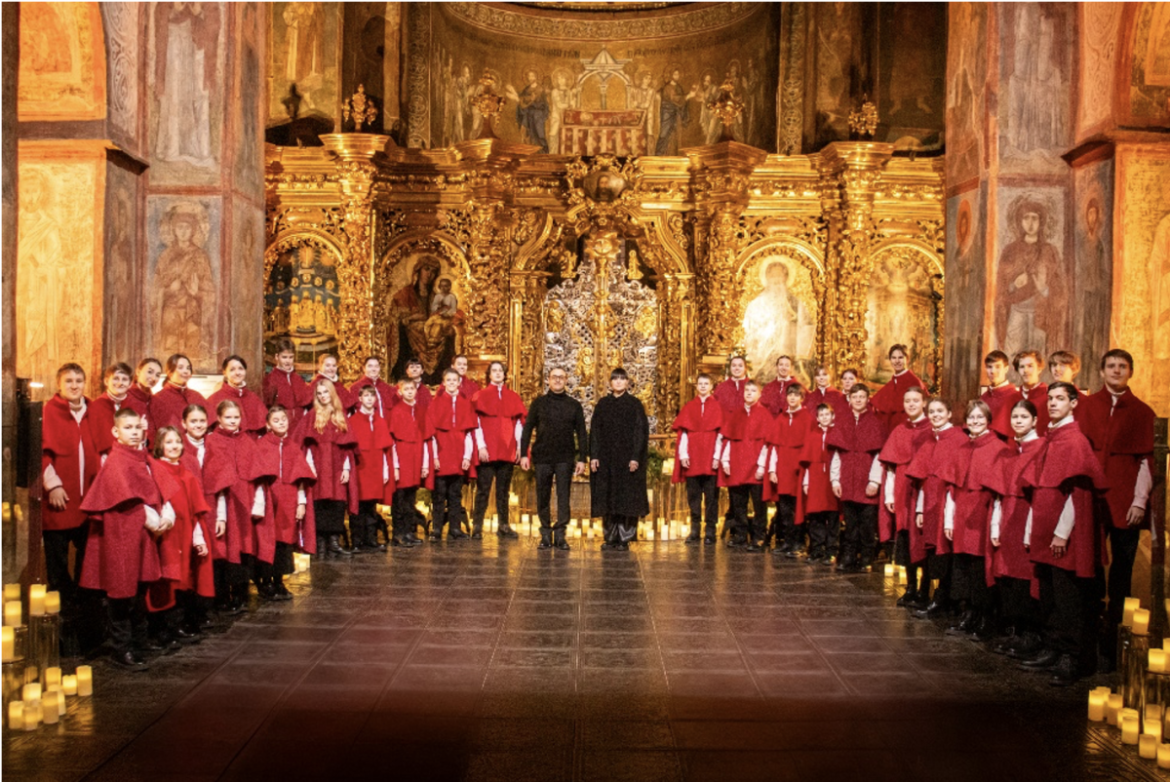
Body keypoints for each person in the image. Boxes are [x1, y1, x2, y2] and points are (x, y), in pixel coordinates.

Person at [1019, 382, 1108, 685]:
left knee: (1068, 596)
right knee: (1049, 594)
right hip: (1045, 529)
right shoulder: (1051, 438)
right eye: (1050, 399)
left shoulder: (1075, 441)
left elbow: (1077, 494)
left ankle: (1072, 657)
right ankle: (1053, 647)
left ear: (1073, 403)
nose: (1053, 403)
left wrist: (1061, 533)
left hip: (1063, 534)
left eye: (1060, 399)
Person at [1077, 349, 1155, 671]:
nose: (1116, 370)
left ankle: (1114, 640)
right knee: (1089, 565)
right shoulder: (1086, 406)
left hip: (1125, 502)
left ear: (1131, 372)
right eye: (1111, 365)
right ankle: (1088, 636)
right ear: (1101, 371)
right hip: (1092, 498)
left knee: (1122, 572)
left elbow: (1147, 462)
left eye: (1123, 366)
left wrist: (1139, 502)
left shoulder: (1143, 412)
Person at [79, 408, 173, 670]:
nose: (134, 432)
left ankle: (139, 642)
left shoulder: (141, 458)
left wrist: (164, 511)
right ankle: (122, 649)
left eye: (137, 428)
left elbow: (156, 488)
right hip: (121, 535)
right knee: (122, 592)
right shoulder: (116, 461)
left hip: (141, 534)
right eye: (128, 427)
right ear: (116, 432)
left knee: (140, 590)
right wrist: (151, 517)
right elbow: (126, 497)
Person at [940, 400, 1012, 642]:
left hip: (984, 514)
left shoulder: (999, 448)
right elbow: (952, 488)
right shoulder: (962, 448)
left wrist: (995, 525)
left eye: (980, 418)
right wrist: (949, 521)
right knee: (963, 565)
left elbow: (999, 492)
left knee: (982, 566)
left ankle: (984, 616)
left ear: (988, 420)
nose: (975, 422)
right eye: (971, 418)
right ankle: (968, 612)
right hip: (962, 514)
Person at [207, 399, 277, 612]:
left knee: (244, 546)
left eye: (236, 417)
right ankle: (222, 595)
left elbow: (258, 475)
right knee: (225, 547)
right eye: (228, 417)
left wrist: (259, 502)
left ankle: (240, 592)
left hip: (244, 501)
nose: (233, 421)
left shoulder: (247, 440)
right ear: (218, 418)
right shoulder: (212, 441)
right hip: (225, 500)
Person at [41, 363, 100, 613]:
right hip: (59, 500)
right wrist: (53, 485)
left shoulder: (93, 411)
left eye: (79, 380)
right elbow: (41, 454)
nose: (74, 385)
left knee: (88, 560)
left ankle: (83, 611)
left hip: (88, 500)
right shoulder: (50, 411)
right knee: (57, 563)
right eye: (69, 381)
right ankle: (61, 612)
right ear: (59, 384)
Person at [146, 426, 212, 647]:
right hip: (165, 536)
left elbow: (195, 512)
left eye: (177, 442)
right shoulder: (156, 469)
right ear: (159, 446)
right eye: (169, 442)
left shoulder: (187, 474)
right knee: (165, 581)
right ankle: (161, 629)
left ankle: (177, 625)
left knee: (183, 581)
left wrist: (199, 538)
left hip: (184, 535)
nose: (174, 446)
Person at [992, 399, 1044, 659]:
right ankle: (1016, 630)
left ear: (1035, 420)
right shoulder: (1012, 450)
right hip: (1009, 515)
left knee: (1027, 575)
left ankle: (1031, 635)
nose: (1018, 421)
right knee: (1010, 574)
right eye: (1015, 417)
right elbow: (1001, 493)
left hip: (1027, 516)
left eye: (1024, 417)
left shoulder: (1040, 447)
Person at [907, 398, 968, 618]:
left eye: (940, 411)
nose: (935, 415)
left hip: (949, 504)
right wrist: (921, 509)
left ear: (950, 413)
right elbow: (923, 478)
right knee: (936, 553)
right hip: (931, 503)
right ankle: (940, 599)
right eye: (931, 412)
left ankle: (946, 601)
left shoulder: (959, 439)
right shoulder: (930, 439)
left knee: (948, 554)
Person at [521, 367, 588, 550]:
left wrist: (582, 458)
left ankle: (560, 534)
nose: (557, 380)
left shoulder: (574, 405)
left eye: (561, 377)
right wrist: (523, 454)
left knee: (563, 497)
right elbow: (527, 430)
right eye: (554, 377)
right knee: (542, 496)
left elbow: (582, 433)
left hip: (565, 458)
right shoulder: (539, 403)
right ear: (548, 380)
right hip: (542, 457)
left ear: (566, 380)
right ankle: (545, 534)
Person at [878, 385, 932, 606]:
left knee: (923, 539)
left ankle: (924, 590)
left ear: (924, 403)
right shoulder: (900, 430)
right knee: (907, 538)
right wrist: (890, 496)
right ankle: (910, 587)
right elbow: (890, 467)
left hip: (923, 490)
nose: (911, 404)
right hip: (902, 489)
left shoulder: (931, 429)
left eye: (915, 400)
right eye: (907, 400)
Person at [828, 384, 887, 572]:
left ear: (868, 399)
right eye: (855, 397)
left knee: (867, 524)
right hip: (847, 479)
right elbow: (837, 454)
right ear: (849, 399)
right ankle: (848, 555)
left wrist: (874, 481)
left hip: (866, 479)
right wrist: (835, 480)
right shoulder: (842, 420)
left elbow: (879, 455)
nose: (859, 400)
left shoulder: (875, 422)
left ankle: (867, 557)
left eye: (862, 396)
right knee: (850, 523)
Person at [257, 406, 316, 596]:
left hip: (288, 498)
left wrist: (301, 502)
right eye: (276, 420)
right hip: (268, 498)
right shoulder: (261, 445)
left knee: (284, 541)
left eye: (284, 419)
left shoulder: (292, 446)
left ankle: (279, 580)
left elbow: (300, 478)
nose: (281, 422)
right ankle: (265, 581)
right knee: (267, 540)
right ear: (268, 425)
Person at [590, 369, 650, 550]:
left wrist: (635, 458)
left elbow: (640, 433)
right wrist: (593, 456)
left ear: (627, 383)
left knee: (626, 498)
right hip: (606, 458)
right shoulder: (603, 404)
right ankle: (610, 537)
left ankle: (624, 537)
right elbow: (595, 432)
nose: (618, 382)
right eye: (615, 379)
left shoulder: (634, 404)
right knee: (607, 496)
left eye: (621, 379)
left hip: (627, 460)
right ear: (610, 383)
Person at [298, 379, 358, 557]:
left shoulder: (340, 416)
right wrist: (309, 467)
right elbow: (305, 444)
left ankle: (333, 540)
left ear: (332, 393)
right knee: (319, 503)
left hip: (337, 465)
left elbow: (347, 447)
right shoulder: (311, 415)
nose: (323, 396)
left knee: (337, 502)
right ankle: (320, 542)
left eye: (326, 392)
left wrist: (347, 469)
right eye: (319, 393)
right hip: (318, 464)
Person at [471, 361, 526, 539]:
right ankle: (477, 526)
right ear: (489, 374)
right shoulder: (480, 396)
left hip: (507, 449)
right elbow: (476, 424)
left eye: (500, 371)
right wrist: (481, 446)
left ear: (504, 374)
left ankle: (503, 525)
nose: (497, 373)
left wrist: (519, 446)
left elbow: (518, 423)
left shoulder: (513, 396)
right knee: (483, 490)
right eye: (494, 371)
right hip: (487, 450)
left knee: (504, 491)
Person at [719, 381, 773, 552]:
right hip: (737, 465)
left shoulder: (764, 415)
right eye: (747, 390)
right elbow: (728, 439)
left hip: (756, 467)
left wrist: (762, 466)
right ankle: (741, 535)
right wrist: (725, 461)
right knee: (738, 504)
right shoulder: (736, 414)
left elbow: (767, 444)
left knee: (759, 505)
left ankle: (759, 537)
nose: (749, 393)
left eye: (753, 391)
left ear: (759, 394)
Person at [671, 373, 724, 545]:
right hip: (693, 457)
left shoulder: (717, 406)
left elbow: (719, 435)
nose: (702, 386)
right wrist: (683, 455)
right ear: (696, 386)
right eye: (700, 384)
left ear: (711, 386)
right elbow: (684, 433)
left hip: (710, 457)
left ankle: (710, 530)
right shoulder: (689, 407)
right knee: (693, 496)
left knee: (711, 497)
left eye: (706, 383)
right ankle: (695, 529)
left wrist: (717, 457)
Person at [428, 369, 477, 542]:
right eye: (448, 380)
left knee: (455, 494)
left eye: (454, 380)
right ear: (443, 382)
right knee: (439, 494)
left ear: (459, 383)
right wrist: (433, 457)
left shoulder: (466, 403)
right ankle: (436, 529)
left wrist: (467, 457)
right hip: (441, 453)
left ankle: (455, 528)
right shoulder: (436, 403)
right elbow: (431, 434)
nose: (451, 383)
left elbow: (469, 433)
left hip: (458, 454)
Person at [387, 378, 434, 547]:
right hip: (402, 458)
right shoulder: (396, 410)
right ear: (400, 392)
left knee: (410, 499)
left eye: (412, 389)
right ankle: (398, 533)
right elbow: (392, 441)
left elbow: (426, 439)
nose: (409, 391)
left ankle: (409, 531)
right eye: (406, 389)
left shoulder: (421, 411)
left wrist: (425, 464)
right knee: (399, 499)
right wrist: (396, 466)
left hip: (416, 458)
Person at [767, 384, 811, 556]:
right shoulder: (781, 418)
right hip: (783, 468)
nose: (792, 398)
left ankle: (799, 543)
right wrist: (772, 470)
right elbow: (775, 447)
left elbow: (808, 446)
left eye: (796, 395)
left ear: (802, 398)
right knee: (784, 508)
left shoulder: (807, 418)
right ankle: (787, 542)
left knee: (798, 506)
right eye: (790, 395)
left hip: (798, 468)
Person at [348, 386, 392, 553]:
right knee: (357, 504)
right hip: (360, 467)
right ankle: (357, 540)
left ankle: (371, 539)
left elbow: (384, 450)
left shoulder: (380, 421)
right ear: (360, 398)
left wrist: (386, 470)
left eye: (372, 396)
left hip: (375, 467)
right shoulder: (352, 421)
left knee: (371, 506)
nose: (369, 399)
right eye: (366, 396)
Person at [800, 403, 839, 564]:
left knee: (832, 515)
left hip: (831, 477)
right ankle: (816, 548)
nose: (824, 417)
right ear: (817, 418)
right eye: (821, 415)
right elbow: (807, 461)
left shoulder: (836, 434)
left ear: (832, 416)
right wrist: (806, 481)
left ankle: (831, 550)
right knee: (816, 516)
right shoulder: (812, 434)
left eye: (827, 415)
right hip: (815, 477)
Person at [208, 355, 268, 437]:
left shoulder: (253, 398)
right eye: (232, 369)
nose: (237, 373)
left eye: (241, 369)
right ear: (225, 372)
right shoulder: (215, 398)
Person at [151, 354, 214, 432]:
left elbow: (211, 424)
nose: (186, 371)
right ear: (170, 372)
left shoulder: (196, 395)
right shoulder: (158, 398)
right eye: (180, 368)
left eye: (188, 368)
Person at [870, 344, 923, 432]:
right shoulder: (892, 383)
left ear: (907, 359)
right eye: (894, 358)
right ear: (890, 360)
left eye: (900, 357)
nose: (897, 361)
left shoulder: (914, 382)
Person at [263, 337, 312, 426]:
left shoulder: (297, 378)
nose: (288, 361)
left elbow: (306, 401)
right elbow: (267, 407)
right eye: (284, 357)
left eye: (291, 357)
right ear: (277, 357)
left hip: (300, 425)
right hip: (281, 424)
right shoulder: (271, 379)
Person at [90, 362, 133, 455]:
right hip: (105, 456)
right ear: (106, 381)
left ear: (130, 384)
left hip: (130, 454)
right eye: (116, 378)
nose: (120, 383)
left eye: (124, 379)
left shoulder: (135, 405)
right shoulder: (96, 406)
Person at [1011, 350, 1049, 433]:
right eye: (1022, 367)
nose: (1025, 370)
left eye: (1030, 366)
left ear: (1039, 369)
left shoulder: (1048, 396)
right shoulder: (1012, 398)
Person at [980, 350, 1016, 439]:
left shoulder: (1014, 396)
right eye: (989, 367)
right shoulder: (983, 398)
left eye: (998, 367)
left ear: (1006, 369)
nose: (993, 371)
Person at [125, 357, 163, 441]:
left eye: (157, 375)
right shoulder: (125, 396)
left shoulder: (155, 400)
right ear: (138, 371)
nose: (153, 378)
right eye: (150, 372)